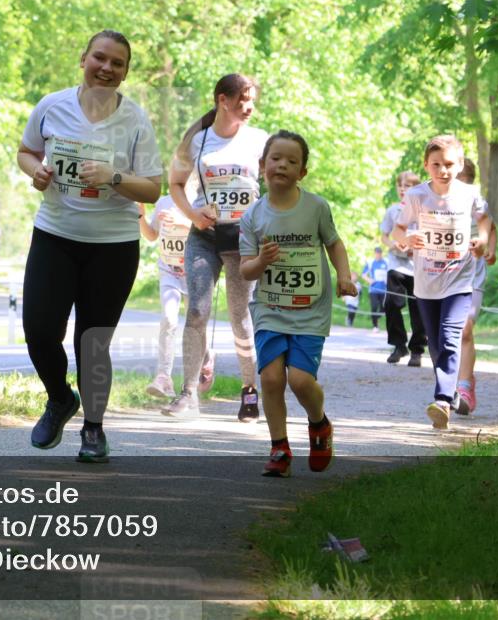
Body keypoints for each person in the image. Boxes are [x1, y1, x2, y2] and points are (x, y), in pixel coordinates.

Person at [16, 30, 161, 463]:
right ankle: (60, 398)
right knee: (39, 331)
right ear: (83, 59)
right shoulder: (52, 106)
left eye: (117, 63)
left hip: (112, 245)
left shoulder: (135, 120)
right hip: (55, 235)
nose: (107, 68)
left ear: (126, 72)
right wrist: (36, 171)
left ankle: (93, 428)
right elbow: (26, 151)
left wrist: (113, 177)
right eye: (100, 58)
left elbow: (152, 189)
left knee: (92, 342)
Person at [239, 130, 357, 476]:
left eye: (292, 161)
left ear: (302, 172)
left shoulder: (316, 207)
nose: (282, 165)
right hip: (270, 308)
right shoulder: (252, 216)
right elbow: (246, 270)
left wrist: (344, 275)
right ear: (262, 164)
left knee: (301, 381)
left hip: (310, 308)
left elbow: (334, 243)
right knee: (271, 378)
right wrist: (262, 261)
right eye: (276, 158)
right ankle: (279, 448)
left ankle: (319, 423)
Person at [162, 73, 267, 423]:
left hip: (243, 240)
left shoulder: (260, 140)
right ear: (223, 100)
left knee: (240, 318)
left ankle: (249, 392)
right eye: (243, 100)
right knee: (197, 311)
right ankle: (188, 393)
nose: (249, 107)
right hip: (204, 236)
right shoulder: (198, 140)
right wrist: (193, 215)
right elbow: (175, 183)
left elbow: (277, 182)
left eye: (252, 101)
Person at [392, 136, 489, 429]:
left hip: (459, 279)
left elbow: (484, 220)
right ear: (426, 165)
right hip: (427, 282)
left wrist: (483, 240)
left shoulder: (469, 193)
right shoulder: (417, 196)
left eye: (449, 164)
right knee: (435, 344)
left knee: (450, 336)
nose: (443, 170)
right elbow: (398, 230)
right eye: (436, 164)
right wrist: (407, 239)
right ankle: (449, 392)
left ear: (459, 165)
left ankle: (443, 400)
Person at [452, 158, 497, 416]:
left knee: (466, 329)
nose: (462, 185)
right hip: (445, 275)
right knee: (446, 334)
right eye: (458, 180)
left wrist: (490, 249)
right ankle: (454, 380)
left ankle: (465, 387)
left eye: (467, 180)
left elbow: (491, 227)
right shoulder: (436, 202)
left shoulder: (478, 203)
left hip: (473, 275)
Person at [138, 195, 191, 398]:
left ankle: (204, 359)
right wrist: (141, 216)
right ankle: (164, 377)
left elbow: (211, 231)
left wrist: (182, 222)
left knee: (195, 326)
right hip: (169, 270)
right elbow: (152, 235)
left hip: (196, 273)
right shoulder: (163, 202)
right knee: (169, 319)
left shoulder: (201, 200)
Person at [380, 171, 428, 366]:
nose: (402, 189)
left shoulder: (425, 211)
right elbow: (384, 236)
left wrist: (415, 247)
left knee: (418, 308)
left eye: (407, 186)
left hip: (418, 266)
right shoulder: (392, 211)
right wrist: (393, 244)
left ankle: (417, 350)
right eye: (400, 185)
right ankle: (399, 345)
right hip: (396, 265)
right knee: (392, 303)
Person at [361, 247, 388, 331]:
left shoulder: (386, 262)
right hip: (373, 290)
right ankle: (375, 326)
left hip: (384, 290)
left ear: (381, 253)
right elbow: (363, 274)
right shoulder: (370, 263)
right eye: (376, 253)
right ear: (374, 253)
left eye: (379, 253)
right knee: (374, 306)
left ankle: (376, 317)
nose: (378, 254)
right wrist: (369, 280)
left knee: (384, 308)